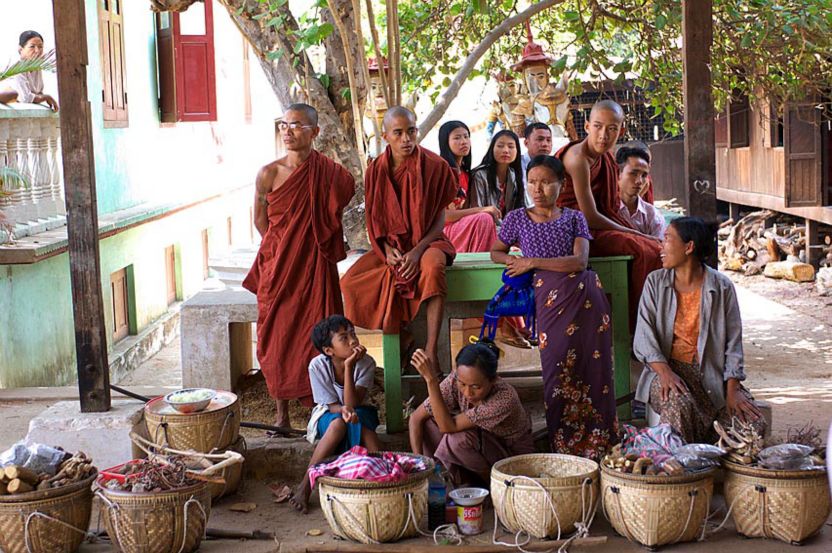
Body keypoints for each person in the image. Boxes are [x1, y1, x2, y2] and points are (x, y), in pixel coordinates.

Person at [491, 155, 618, 460]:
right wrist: (514, 261)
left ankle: (600, 444)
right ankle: (564, 446)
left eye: (546, 181)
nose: (538, 188)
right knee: (557, 368)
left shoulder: (574, 218)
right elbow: (496, 251)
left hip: (586, 297)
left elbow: (580, 262)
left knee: (595, 368)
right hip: (550, 300)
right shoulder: (517, 219)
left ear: (561, 185)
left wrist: (532, 261)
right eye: (533, 182)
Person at [243, 103, 355, 428]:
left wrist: (307, 241)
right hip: (279, 267)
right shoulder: (269, 173)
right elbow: (260, 221)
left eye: (296, 126)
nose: (288, 132)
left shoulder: (330, 173)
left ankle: (323, 407)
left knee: (321, 331)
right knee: (277, 336)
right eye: (284, 125)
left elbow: (342, 197)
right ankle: (281, 416)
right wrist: (285, 247)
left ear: (314, 132)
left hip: (316, 265)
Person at [341, 107, 457, 374]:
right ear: (385, 136)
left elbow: (440, 218)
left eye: (411, 131)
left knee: (432, 268)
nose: (406, 138)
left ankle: (430, 349)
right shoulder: (376, 170)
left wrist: (417, 252)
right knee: (350, 283)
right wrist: (386, 249)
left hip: (429, 242)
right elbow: (374, 218)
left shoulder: (434, 166)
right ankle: (403, 336)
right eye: (398, 133)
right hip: (392, 246)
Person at [633, 217, 766, 443]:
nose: (660, 246)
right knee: (679, 405)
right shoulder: (654, 282)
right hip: (668, 372)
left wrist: (733, 390)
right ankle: (689, 467)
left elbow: (733, 344)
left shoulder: (722, 287)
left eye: (667, 239)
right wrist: (665, 373)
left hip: (712, 377)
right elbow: (643, 340)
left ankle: (706, 451)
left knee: (752, 424)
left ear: (689, 247)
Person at [556, 100, 662, 330]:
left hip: (592, 229)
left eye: (612, 128)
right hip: (573, 232)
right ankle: (635, 328)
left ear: (621, 131)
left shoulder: (606, 159)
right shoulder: (578, 158)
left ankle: (652, 325)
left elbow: (609, 207)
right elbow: (590, 217)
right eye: (598, 126)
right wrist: (633, 232)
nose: (604, 135)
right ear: (587, 127)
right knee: (641, 247)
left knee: (658, 249)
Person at [408, 343, 535, 485]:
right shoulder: (455, 380)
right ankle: (436, 479)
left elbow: (448, 427)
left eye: (476, 387)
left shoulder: (504, 398)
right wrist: (419, 465)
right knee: (429, 424)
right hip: (478, 448)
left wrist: (431, 381)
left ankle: (494, 486)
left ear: (493, 380)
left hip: (510, 455)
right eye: (462, 384)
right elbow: (415, 418)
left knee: (458, 440)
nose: (467, 393)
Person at [291, 315, 381, 513]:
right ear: (328, 350)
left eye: (353, 334)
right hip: (330, 413)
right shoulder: (317, 366)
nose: (353, 340)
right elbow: (331, 405)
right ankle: (306, 485)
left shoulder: (366, 363)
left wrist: (349, 366)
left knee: (367, 431)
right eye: (344, 337)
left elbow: (353, 403)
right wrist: (343, 411)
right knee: (338, 425)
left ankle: (382, 481)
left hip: (360, 410)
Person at [438, 120, 499, 253]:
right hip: (442, 233)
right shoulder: (440, 171)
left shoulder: (466, 174)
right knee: (484, 218)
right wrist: (481, 210)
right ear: (445, 142)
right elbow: (443, 217)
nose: (464, 141)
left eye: (466, 136)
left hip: (461, 228)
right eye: (457, 138)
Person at [469, 130, 525, 217]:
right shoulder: (480, 175)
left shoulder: (513, 175)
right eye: (500, 146)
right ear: (492, 148)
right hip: (484, 225)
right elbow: (477, 210)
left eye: (511, 146)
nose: (506, 150)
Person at [616, 146, 665, 239]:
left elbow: (659, 249)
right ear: (618, 173)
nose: (639, 181)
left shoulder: (653, 215)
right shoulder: (607, 211)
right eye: (633, 173)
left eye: (644, 175)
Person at [12, 31, 58, 111]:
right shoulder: (16, 67)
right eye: (32, 46)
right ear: (20, 49)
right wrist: (46, 97)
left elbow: (38, 92)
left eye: (40, 47)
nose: (37, 51)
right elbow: (25, 98)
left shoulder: (37, 67)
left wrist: (40, 97)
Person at [520, 122, 553, 206]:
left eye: (548, 140)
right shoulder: (517, 165)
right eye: (540, 139)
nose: (545, 144)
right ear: (526, 143)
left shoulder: (555, 166)